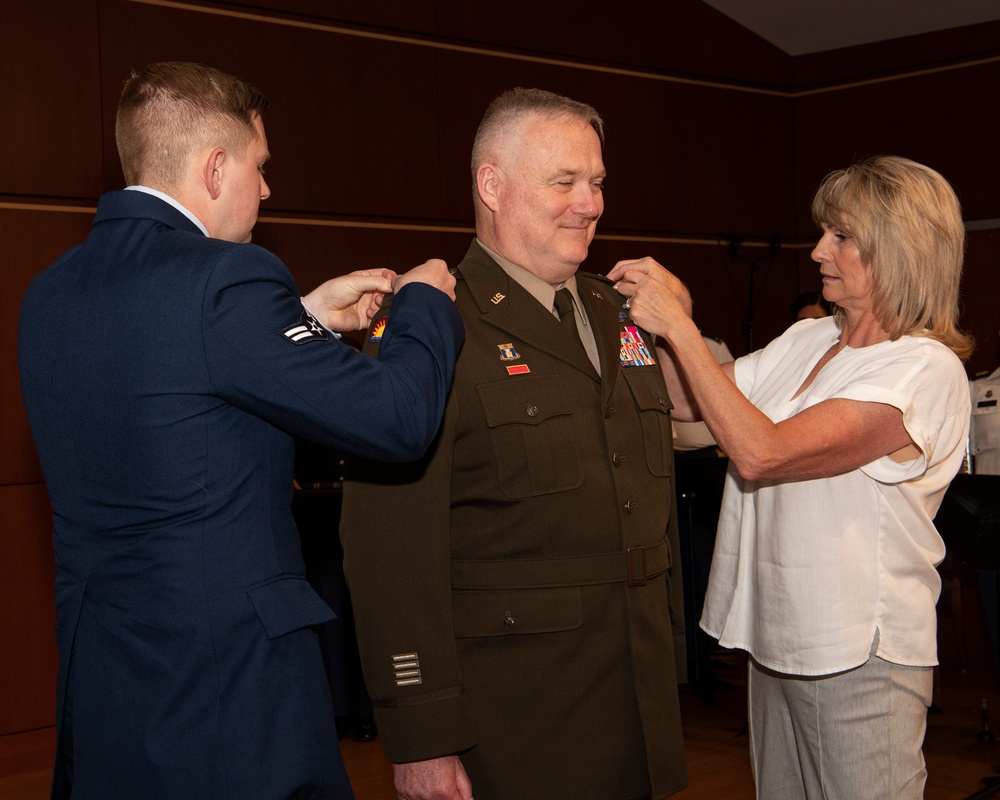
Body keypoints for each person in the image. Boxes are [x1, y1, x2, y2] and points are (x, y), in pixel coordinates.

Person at [17, 61, 463, 800]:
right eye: (259, 167)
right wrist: (422, 306)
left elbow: (173, 388)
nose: (266, 189)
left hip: (105, 684)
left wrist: (306, 317)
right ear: (215, 166)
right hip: (226, 689)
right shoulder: (229, 278)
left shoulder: (51, 291)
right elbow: (398, 419)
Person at [340, 87, 688, 800]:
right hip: (514, 721)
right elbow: (389, 552)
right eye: (564, 182)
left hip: (638, 702)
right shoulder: (431, 328)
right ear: (491, 185)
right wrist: (422, 735)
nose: (590, 203)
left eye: (596, 183)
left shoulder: (617, 312)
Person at [609, 155, 973, 799]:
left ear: (899, 250)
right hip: (778, 636)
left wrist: (682, 326)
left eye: (841, 236)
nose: (817, 251)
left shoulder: (924, 367)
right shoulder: (808, 340)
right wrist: (656, 325)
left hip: (861, 650)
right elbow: (690, 400)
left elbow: (763, 452)